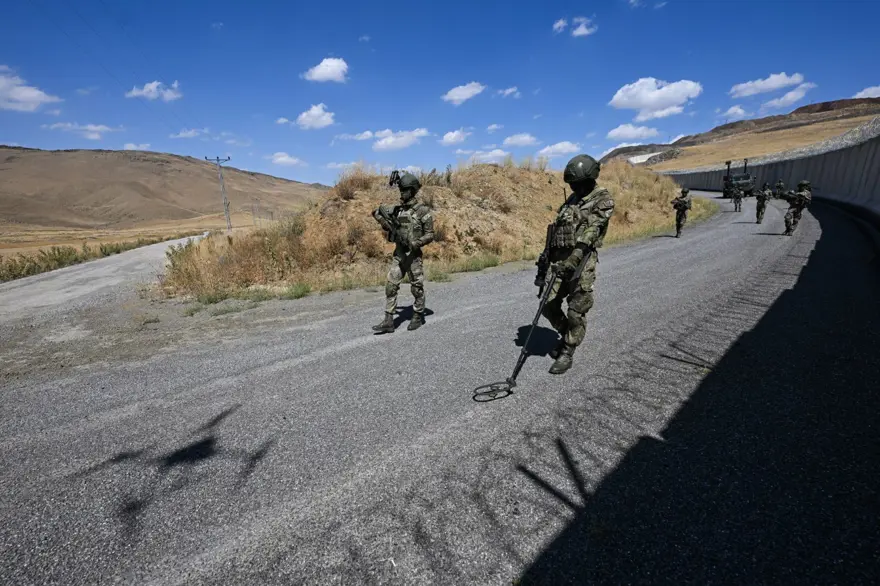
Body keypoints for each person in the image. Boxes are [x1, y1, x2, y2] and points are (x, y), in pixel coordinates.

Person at [541, 154, 615, 375]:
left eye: (577, 183)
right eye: (572, 184)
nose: (573, 187)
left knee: (576, 310)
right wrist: (546, 258)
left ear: (590, 178)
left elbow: (592, 231)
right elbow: (557, 231)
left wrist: (574, 258)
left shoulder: (603, 199)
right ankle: (567, 335)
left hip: (582, 260)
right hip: (559, 262)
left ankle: (568, 351)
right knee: (548, 305)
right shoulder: (571, 200)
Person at [371, 172, 435, 333]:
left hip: (413, 257)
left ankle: (417, 315)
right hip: (399, 255)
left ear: (413, 190)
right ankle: (388, 320)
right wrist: (386, 224)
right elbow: (376, 212)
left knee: (416, 288)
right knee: (391, 286)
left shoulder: (422, 211)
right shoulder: (397, 210)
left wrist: (416, 243)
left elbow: (430, 234)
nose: (402, 193)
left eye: (405, 190)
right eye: (401, 189)